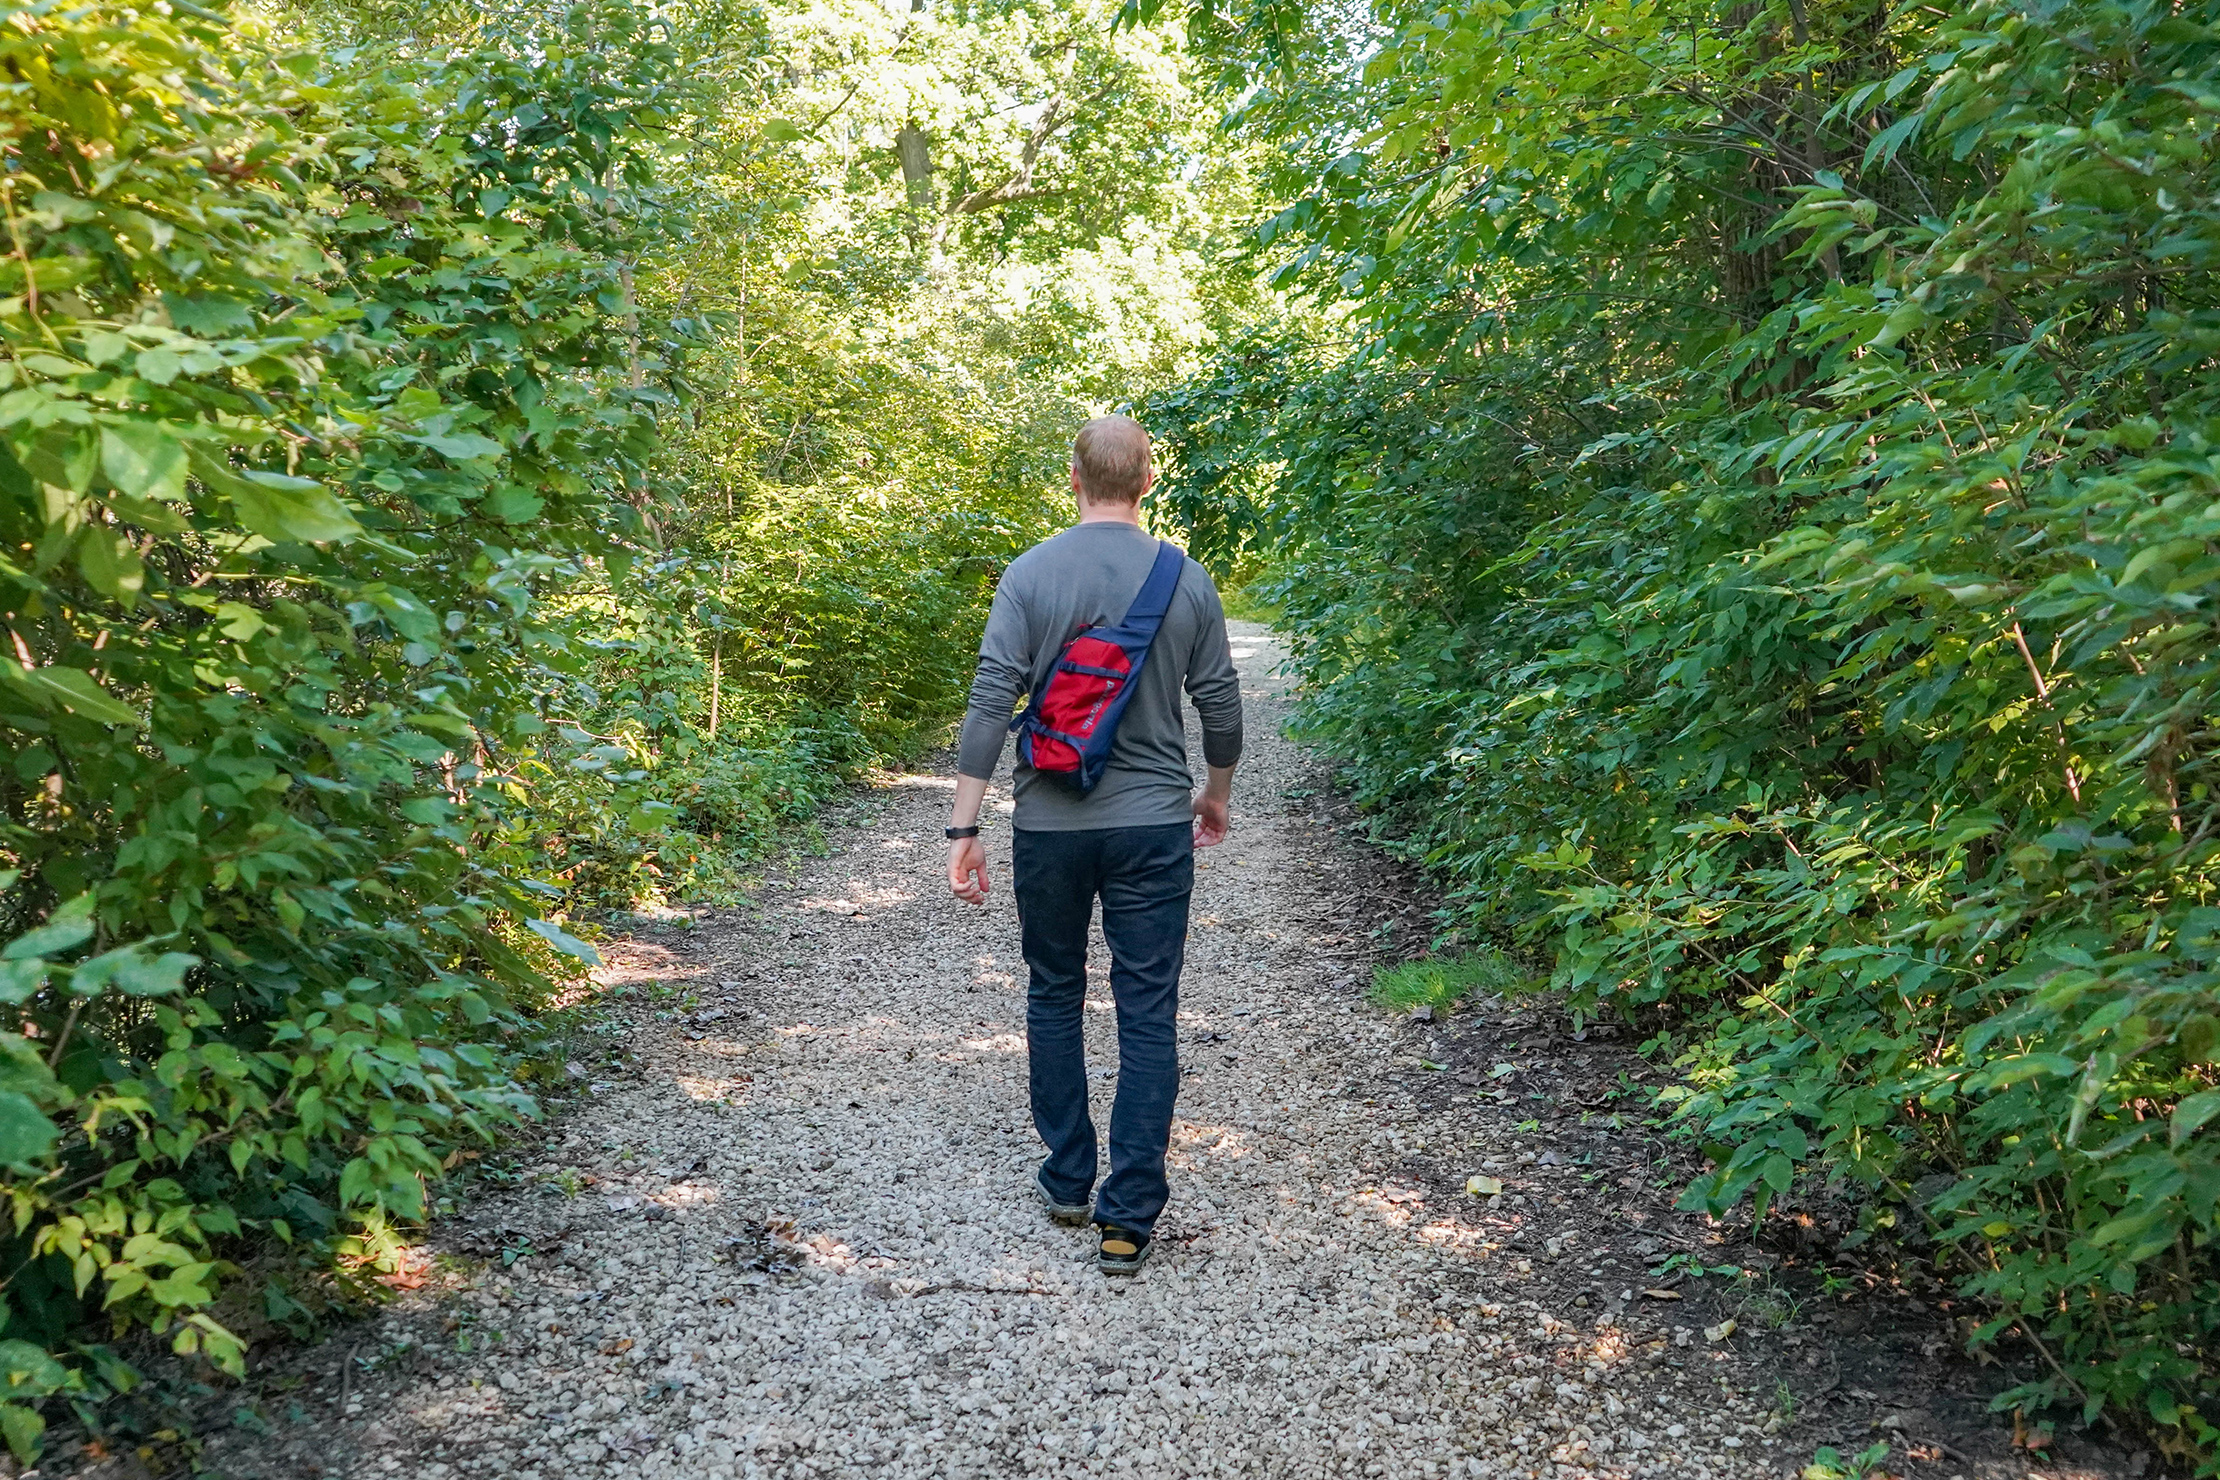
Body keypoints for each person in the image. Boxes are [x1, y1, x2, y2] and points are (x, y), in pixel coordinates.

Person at [944, 414, 1243, 1275]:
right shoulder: (1186, 578)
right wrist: (1212, 796)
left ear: (1071, 477)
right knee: (1148, 1007)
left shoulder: (1030, 574)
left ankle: (1070, 1179)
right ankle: (1129, 1216)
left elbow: (988, 702)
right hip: (1154, 824)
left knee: (1053, 992)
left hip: (1049, 826)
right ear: (1147, 480)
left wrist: (964, 828)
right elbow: (1220, 703)